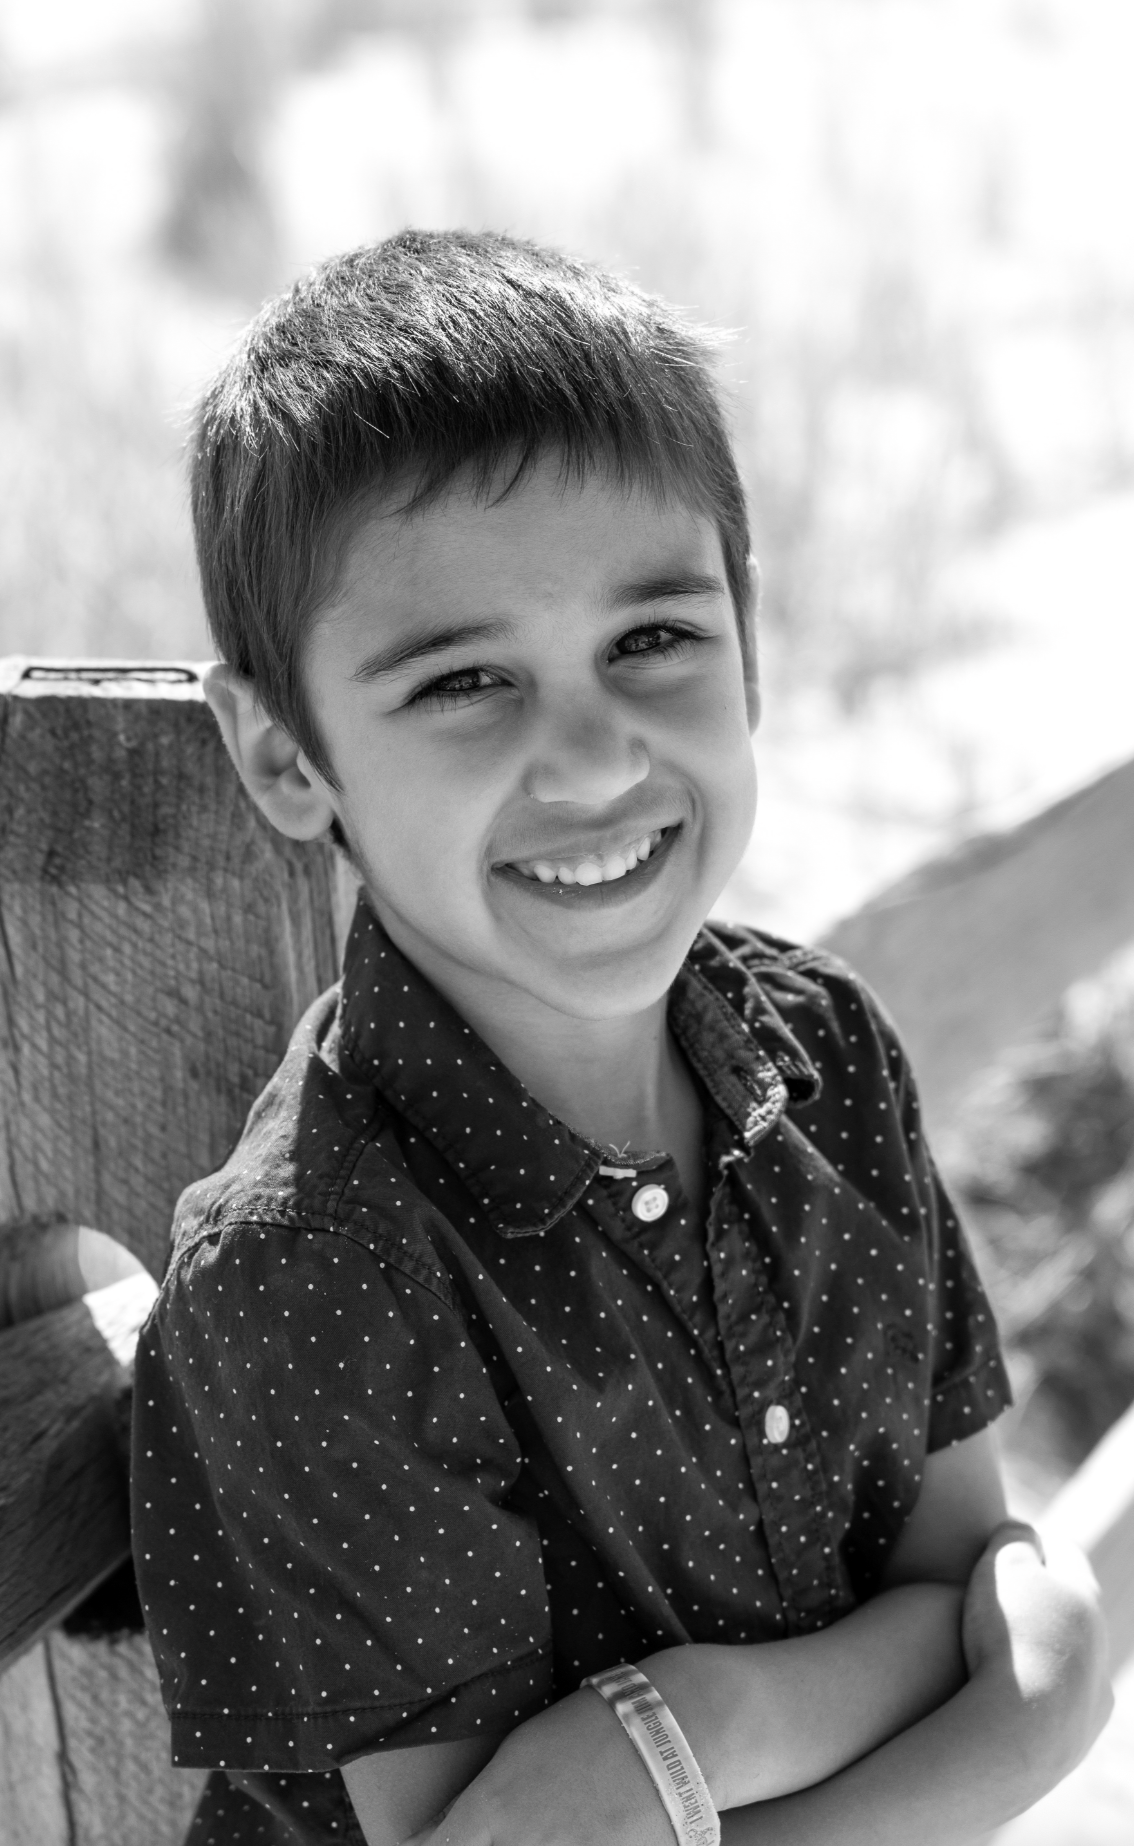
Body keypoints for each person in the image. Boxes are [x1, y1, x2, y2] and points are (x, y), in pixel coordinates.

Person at [131, 229, 1110, 1846]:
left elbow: (962, 1570)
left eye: (651, 639)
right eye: (461, 683)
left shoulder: (829, 1055)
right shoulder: (313, 1271)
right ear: (285, 754)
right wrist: (1017, 1716)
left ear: (746, 626)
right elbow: (508, 1838)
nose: (591, 760)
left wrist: (688, 1731)